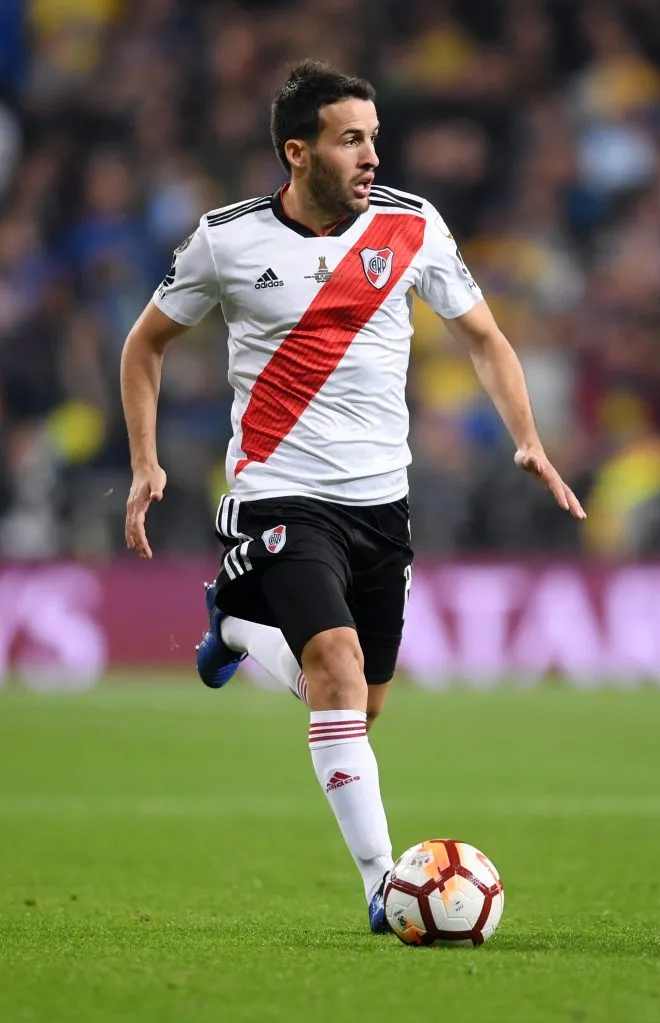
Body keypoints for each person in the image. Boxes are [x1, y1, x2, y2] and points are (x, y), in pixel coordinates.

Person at [120, 59, 585, 933]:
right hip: (278, 495)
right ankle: (382, 886)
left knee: (359, 707)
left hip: (382, 503)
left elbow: (483, 337)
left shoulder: (413, 227)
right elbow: (143, 347)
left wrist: (526, 436)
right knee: (333, 666)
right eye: (350, 139)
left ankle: (230, 624)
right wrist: (146, 461)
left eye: (374, 137)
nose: (372, 155)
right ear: (297, 153)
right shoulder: (226, 241)